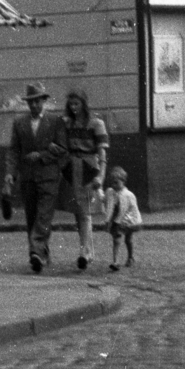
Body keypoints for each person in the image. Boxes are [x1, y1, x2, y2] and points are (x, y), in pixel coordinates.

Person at [3, 83, 63, 274]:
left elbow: (63, 149)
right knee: (32, 217)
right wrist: (10, 174)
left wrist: (43, 155)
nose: (35, 106)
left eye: (38, 101)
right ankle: (41, 252)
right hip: (27, 178)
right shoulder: (19, 123)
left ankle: (35, 252)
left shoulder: (55, 122)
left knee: (44, 216)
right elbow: (14, 150)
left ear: (44, 101)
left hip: (49, 177)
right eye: (31, 102)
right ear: (27, 104)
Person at [52, 88, 109, 270]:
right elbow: (62, 146)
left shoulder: (96, 124)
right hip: (71, 168)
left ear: (84, 104)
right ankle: (88, 251)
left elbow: (102, 152)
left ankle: (84, 252)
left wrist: (101, 175)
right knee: (79, 212)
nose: (74, 108)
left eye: (77, 104)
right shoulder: (67, 124)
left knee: (85, 211)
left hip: (88, 167)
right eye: (71, 105)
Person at [104, 167, 142, 270]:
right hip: (118, 221)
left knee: (128, 240)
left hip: (128, 220)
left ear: (123, 181)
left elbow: (125, 210)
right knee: (116, 239)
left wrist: (114, 222)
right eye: (112, 183)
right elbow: (108, 206)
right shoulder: (110, 192)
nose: (113, 185)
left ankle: (130, 257)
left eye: (116, 182)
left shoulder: (127, 195)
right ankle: (115, 261)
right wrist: (108, 220)